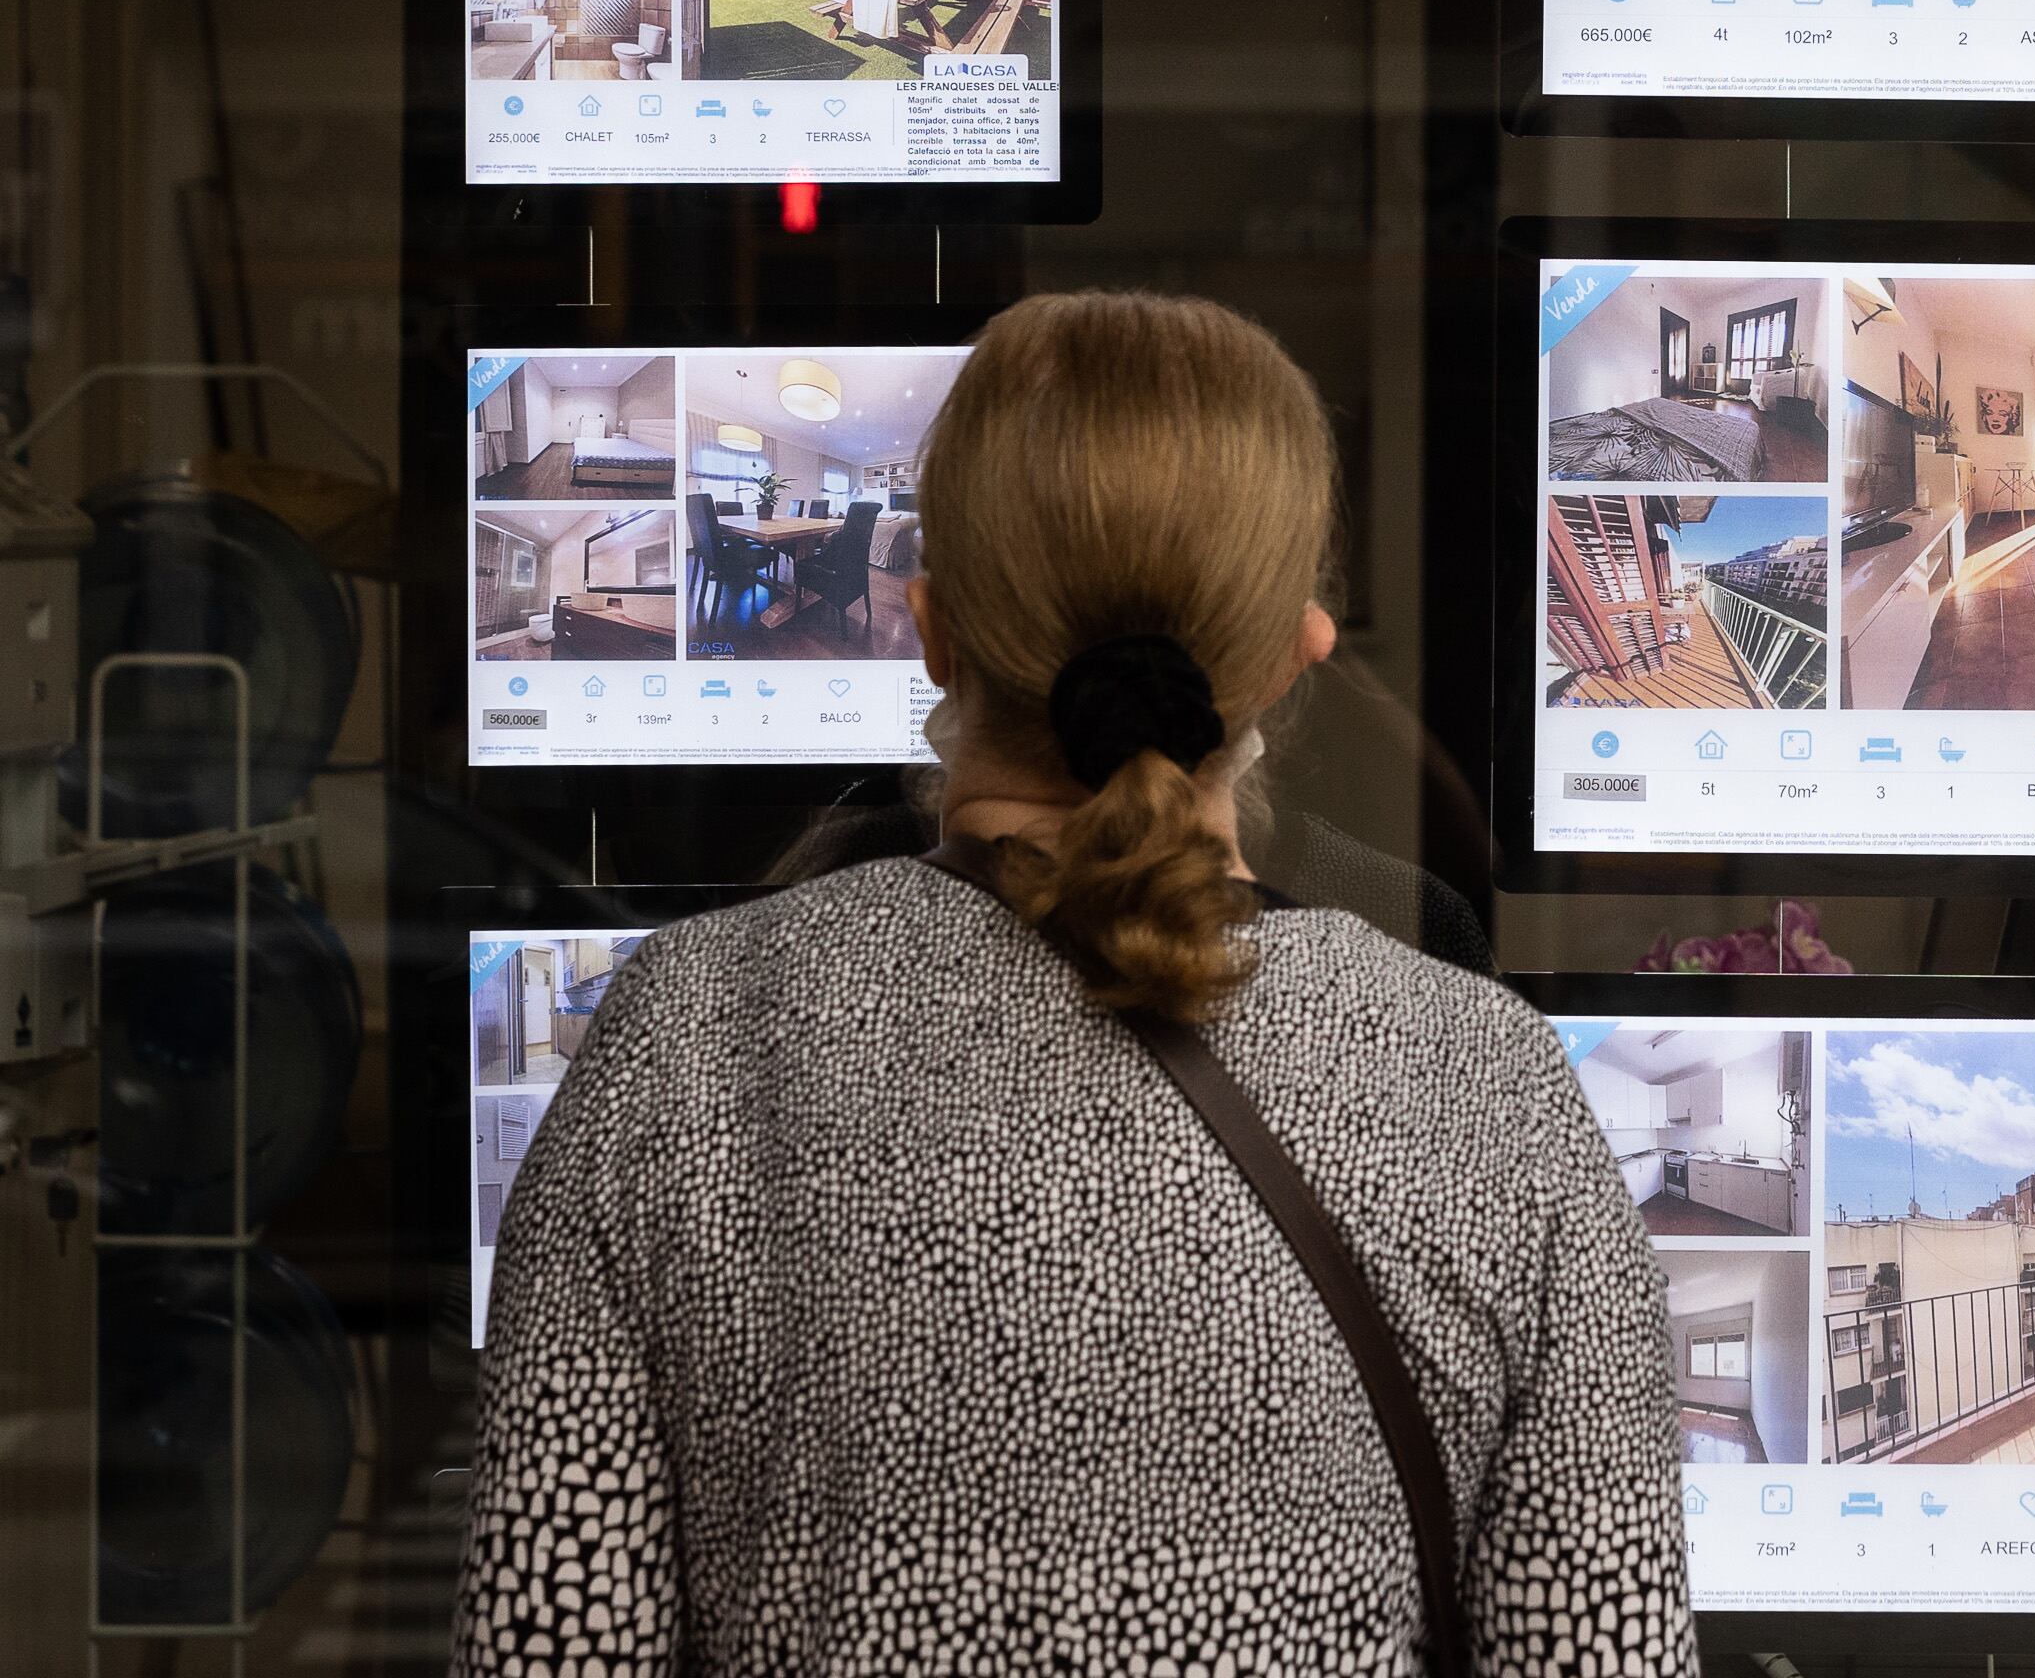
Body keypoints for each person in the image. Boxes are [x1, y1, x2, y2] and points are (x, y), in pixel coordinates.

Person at [459, 292, 1695, 1675]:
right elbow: (1604, 1647)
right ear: (1300, 652)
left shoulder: (678, 1044)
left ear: (929, 631)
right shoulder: (1493, 1086)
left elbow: (551, 1643)